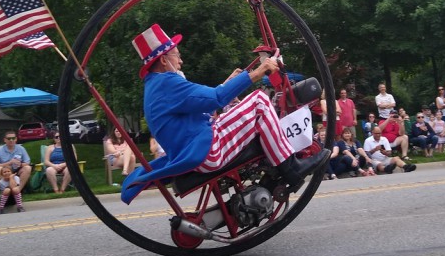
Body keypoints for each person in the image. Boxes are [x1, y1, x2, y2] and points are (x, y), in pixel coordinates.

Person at [122, 24, 330, 203]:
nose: (181, 61)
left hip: (198, 147)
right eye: (177, 55)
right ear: (164, 60)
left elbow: (203, 105)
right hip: (206, 150)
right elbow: (215, 98)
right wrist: (258, 72)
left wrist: (227, 85)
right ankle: (290, 168)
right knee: (259, 101)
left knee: (241, 105)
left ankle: (276, 166)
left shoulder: (156, 86)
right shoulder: (167, 83)